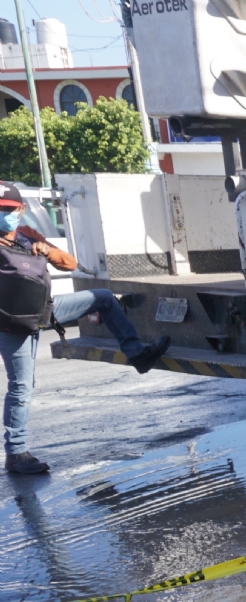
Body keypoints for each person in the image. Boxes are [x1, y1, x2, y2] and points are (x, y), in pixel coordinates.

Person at [1, 184, 170, 475]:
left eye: (8, 209)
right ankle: (16, 454)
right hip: (10, 323)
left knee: (102, 298)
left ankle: (138, 354)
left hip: (45, 309)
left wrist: (47, 250)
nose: (4, 214)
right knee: (21, 385)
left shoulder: (28, 235)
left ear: (21, 210)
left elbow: (71, 264)